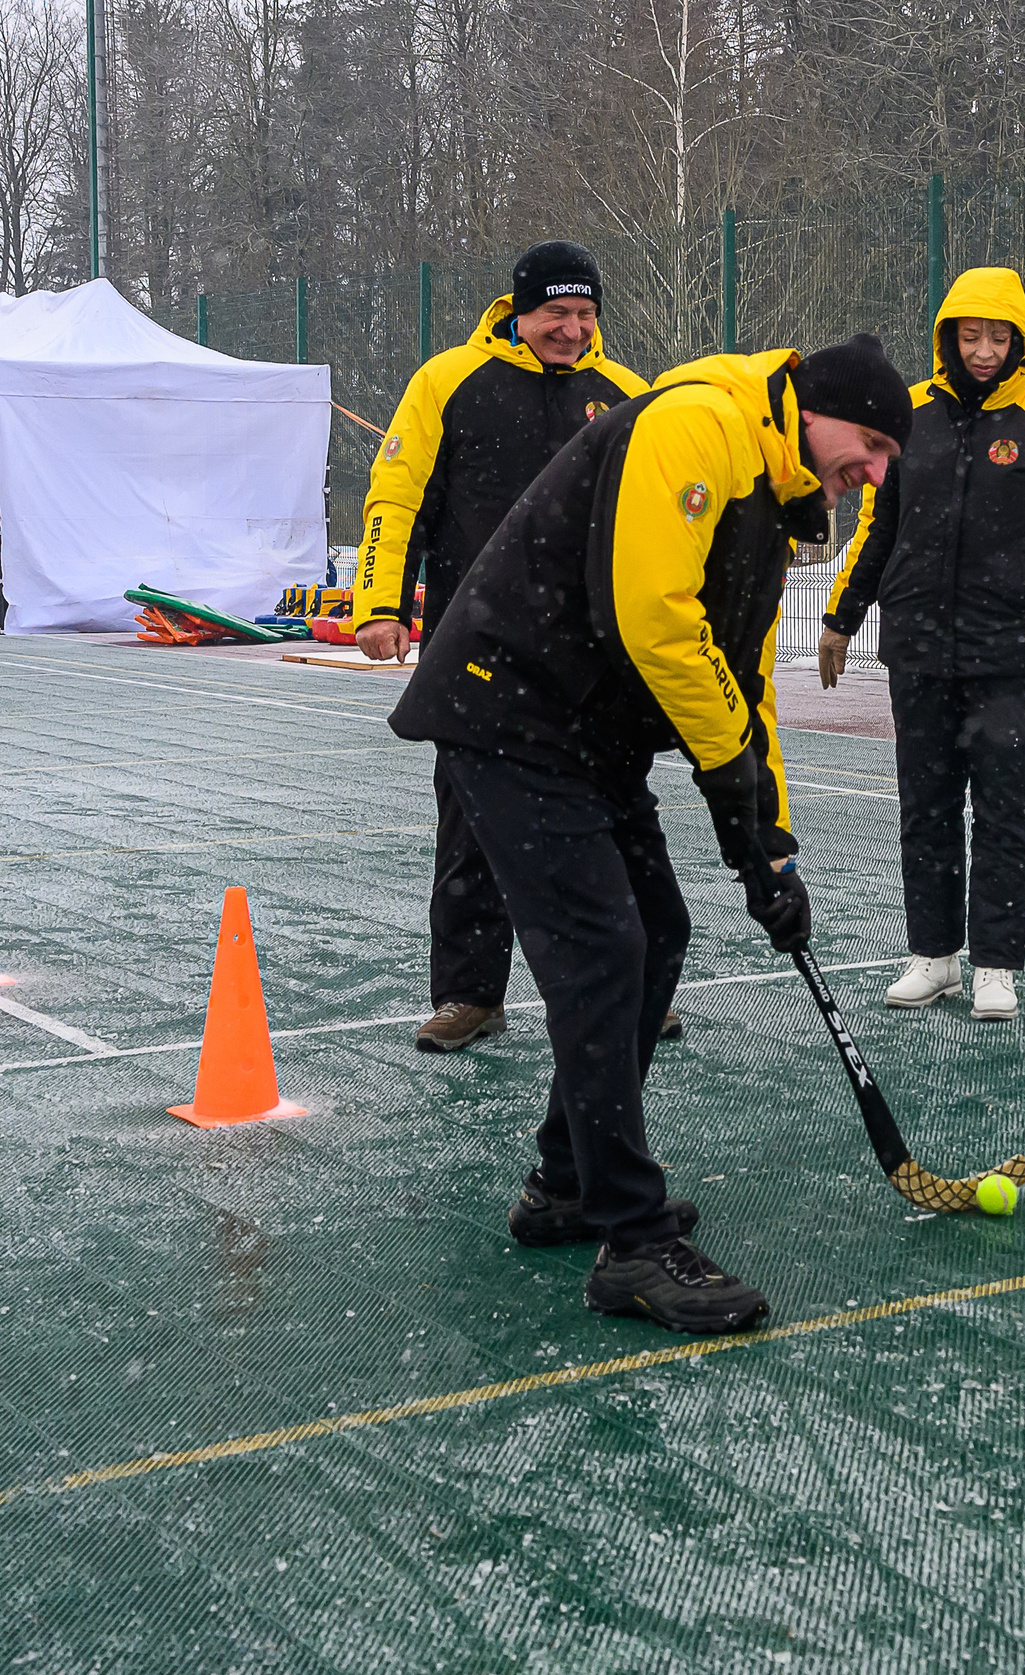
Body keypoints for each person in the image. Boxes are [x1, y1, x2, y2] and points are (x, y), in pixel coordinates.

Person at [387, 335, 909, 1334]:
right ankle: (630, 1242)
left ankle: (567, 1185)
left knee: (655, 934)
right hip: (513, 714)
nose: (875, 470)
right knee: (601, 953)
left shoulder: (769, 490)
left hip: (582, 736)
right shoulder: (697, 425)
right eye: (871, 442)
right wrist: (727, 790)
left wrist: (770, 844)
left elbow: (742, 679)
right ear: (809, 404)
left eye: (889, 458)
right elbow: (656, 621)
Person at [816, 267, 1025, 1022]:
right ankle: (932, 957)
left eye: (1000, 336)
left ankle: (995, 964)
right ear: (948, 337)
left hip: (1013, 656)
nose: (986, 349)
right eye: (971, 335)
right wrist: (843, 614)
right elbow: (877, 525)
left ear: (1021, 339)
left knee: (1003, 810)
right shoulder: (910, 416)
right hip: (919, 650)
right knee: (924, 807)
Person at [353, 242, 652, 1056]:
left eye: (586, 315)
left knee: (616, 821)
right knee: (473, 829)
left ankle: (638, 986)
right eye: (557, 313)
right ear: (518, 312)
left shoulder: (624, 394)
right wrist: (379, 604)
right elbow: (396, 494)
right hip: (474, 652)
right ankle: (469, 994)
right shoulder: (447, 381)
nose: (573, 329)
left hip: (594, 661)